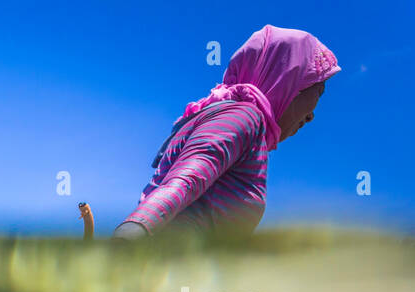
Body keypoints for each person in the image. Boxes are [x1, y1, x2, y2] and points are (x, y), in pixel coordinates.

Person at [114, 25, 340, 240]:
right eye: (317, 92)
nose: (311, 117)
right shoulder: (244, 116)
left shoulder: (241, 120)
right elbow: (187, 179)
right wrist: (129, 237)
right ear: (287, 80)